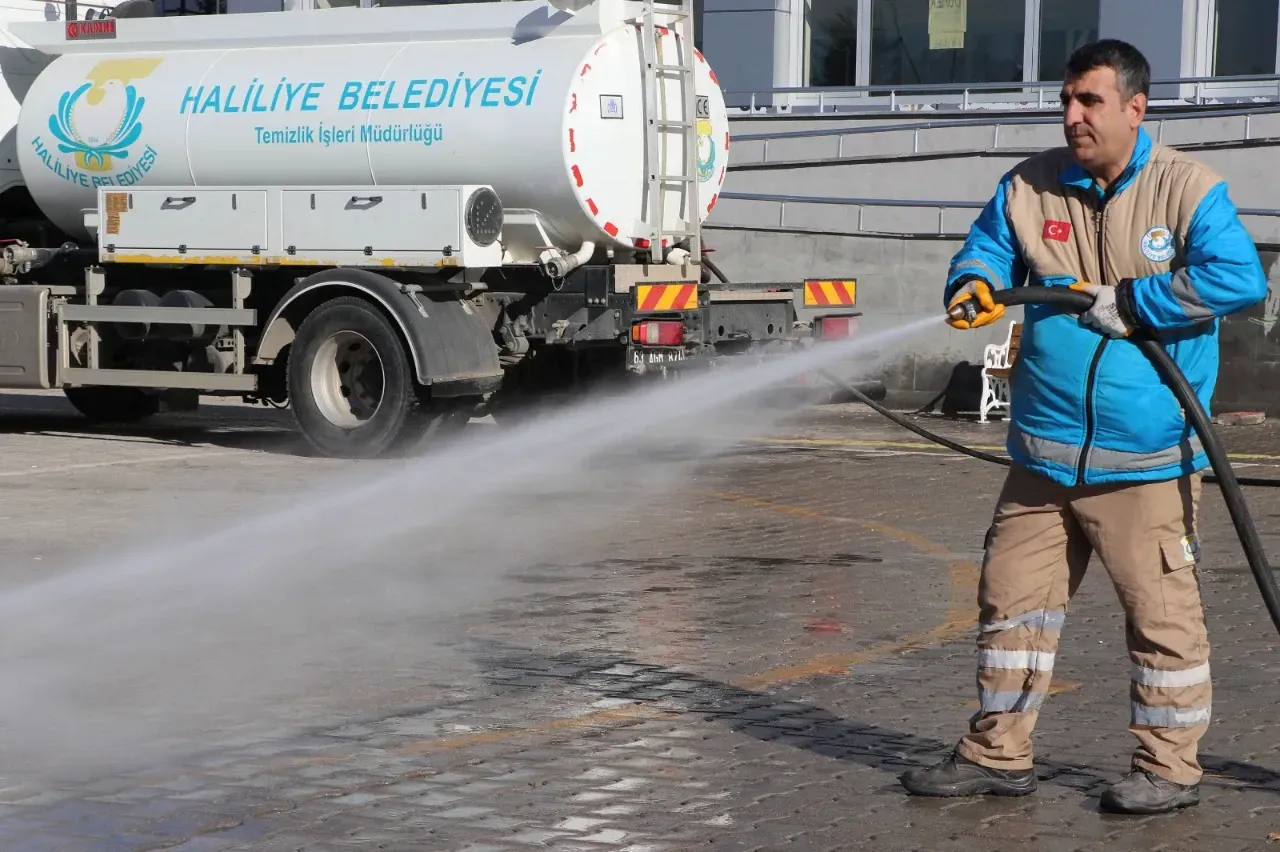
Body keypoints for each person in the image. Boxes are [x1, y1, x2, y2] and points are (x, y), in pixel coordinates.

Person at [898, 39, 1268, 814]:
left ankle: (1169, 768)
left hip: (1145, 459)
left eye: (1089, 102)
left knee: (1160, 620)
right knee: (1011, 605)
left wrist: (1134, 300)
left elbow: (1239, 279)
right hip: (1042, 455)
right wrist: (973, 283)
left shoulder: (1187, 190)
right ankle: (998, 753)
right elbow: (987, 251)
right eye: (1065, 101)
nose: (1071, 117)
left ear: (1136, 109)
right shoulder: (1030, 186)